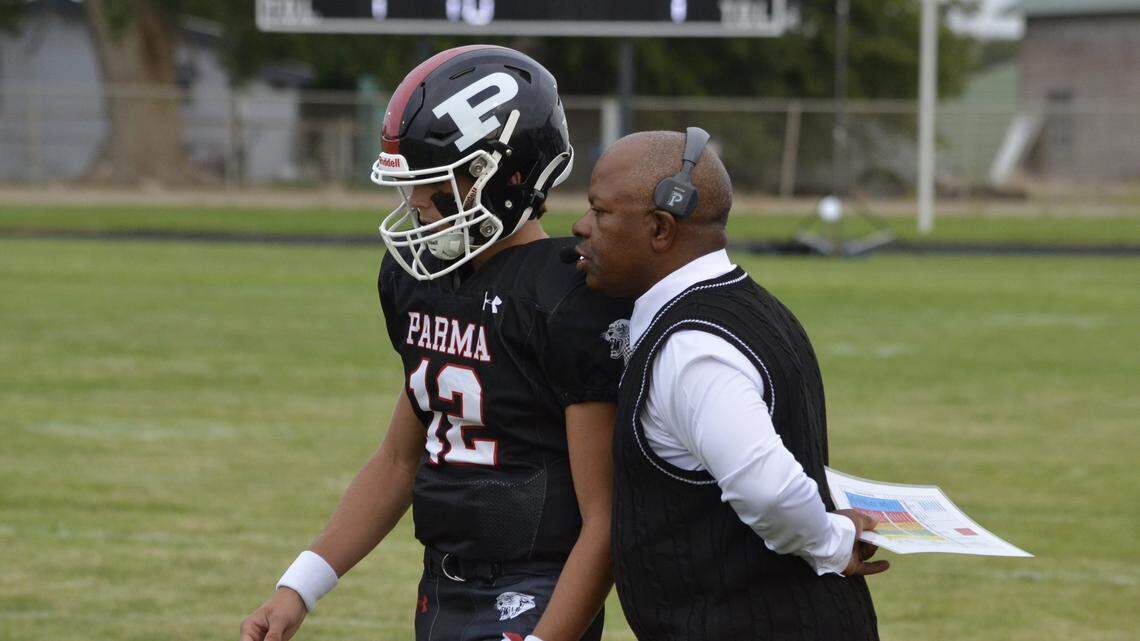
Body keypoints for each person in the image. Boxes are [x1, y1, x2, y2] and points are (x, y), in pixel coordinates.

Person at [240, 45, 630, 641]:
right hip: (443, 588)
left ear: (504, 175)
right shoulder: (419, 285)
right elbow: (399, 457)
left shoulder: (566, 296)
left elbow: (603, 516)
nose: (416, 206)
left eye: (433, 186)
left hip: (539, 587)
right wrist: (299, 588)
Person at [569, 129, 888, 640]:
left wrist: (833, 540)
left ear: (659, 229)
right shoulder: (754, 307)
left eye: (600, 211)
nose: (581, 226)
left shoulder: (693, 346)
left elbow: (768, 489)